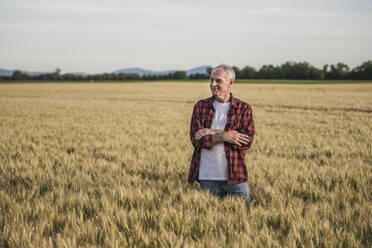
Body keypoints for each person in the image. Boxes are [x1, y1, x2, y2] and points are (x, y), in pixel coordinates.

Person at [188, 64, 255, 208]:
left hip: (236, 176)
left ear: (230, 83)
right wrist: (225, 136)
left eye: (218, 81)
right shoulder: (201, 106)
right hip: (207, 177)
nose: (213, 84)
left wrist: (211, 131)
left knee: (242, 222)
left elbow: (246, 141)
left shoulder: (243, 108)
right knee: (209, 223)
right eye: (211, 80)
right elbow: (197, 140)